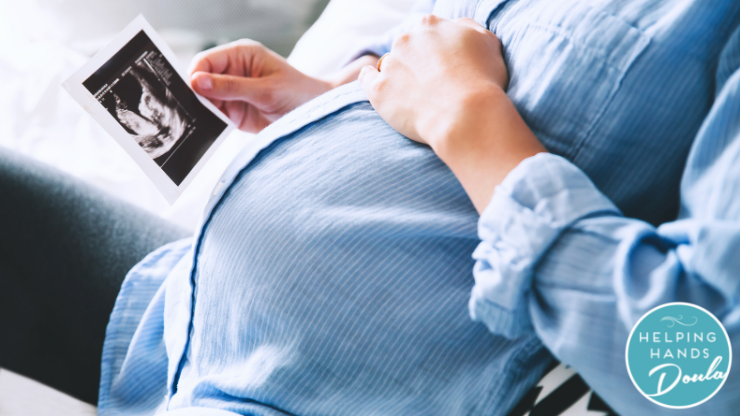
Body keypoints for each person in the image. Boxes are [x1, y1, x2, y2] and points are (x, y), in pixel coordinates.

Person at [0, 2, 738, 416]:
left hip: (312, 393)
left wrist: (463, 109)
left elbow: (706, 367)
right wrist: (343, 104)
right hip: (178, 320)